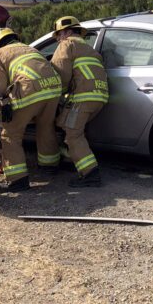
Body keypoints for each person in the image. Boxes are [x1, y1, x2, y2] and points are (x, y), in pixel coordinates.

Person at [0, 28, 62, 192]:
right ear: (15, 38)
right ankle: (49, 165)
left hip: (30, 90)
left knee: (10, 134)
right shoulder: (31, 48)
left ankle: (17, 180)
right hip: (53, 88)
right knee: (45, 126)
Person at [50, 16, 108, 187]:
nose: (58, 39)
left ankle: (90, 173)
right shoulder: (89, 48)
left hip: (82, 98)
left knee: (73, 133)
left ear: (67, 32)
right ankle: (71, 160)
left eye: (59, 35)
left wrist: (56, 94)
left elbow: (61, 75)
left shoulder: (67, 45)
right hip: (99, 97)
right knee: (72, 127)